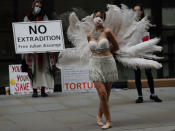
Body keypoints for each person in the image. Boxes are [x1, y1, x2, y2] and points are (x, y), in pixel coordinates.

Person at [87, 10, 119, 129]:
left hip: (108, 63)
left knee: (106, 94)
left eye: (101, 17)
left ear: (103, 19)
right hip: (95, 64)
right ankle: (109, 121)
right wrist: (97, 54)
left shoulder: (107, 31)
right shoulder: (89, 34)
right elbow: (91, 49)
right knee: (102, 93)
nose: (98, 19)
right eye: (96, 16)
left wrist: (107, 53)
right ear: (93, 18)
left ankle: (99, 116)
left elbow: (116, 46)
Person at [22, 0, 56, 97]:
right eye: (36, 6)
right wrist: (31, 47)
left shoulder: (44, 17)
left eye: (40, 7)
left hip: (43, 51)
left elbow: (48, 31)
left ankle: (42, 90)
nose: (38, 8)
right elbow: (24, 33)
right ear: (32, 6)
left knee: (44, 70)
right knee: (33, 70)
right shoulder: (27, 18)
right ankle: (34, 91)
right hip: (32, 51)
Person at [133, 4, 162, 103]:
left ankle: (152, 94)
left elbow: (154, 30)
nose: (136, 12)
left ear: (141, 11)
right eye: (134, 11)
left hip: (146, 50)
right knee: (137, 74)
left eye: (138, 10)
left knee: (149, 72)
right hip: (136, 50)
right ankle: (140, 96)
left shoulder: (147, 21)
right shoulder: (131, 24)